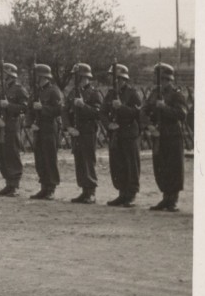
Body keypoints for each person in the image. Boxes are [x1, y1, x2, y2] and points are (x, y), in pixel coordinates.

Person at [142, 62, 189, 212]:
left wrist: (165, 108)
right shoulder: (154, 93)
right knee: (160, 165)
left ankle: (172, 199)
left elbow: (181, 114)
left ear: (169, 80)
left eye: (162, 80)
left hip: (172, 134)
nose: (160, 83)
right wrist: (148, 125)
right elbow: (144, 110)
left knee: (173, 166)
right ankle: (165, 197)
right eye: (158, 80)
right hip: (158, 133)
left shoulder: (176, 94)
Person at [100, 64, 143, 208]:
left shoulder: (132, 93)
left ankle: (131, 195)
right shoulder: (111, 93)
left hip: (129, 132)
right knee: (117, 164)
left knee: (131, 164)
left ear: (123, 79)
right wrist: (108, 125)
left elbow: (139, 113)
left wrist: (122, 108)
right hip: (116, 133)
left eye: (117, 79)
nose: (115, 82)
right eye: (113, 79)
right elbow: (103, 111)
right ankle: (121, 193)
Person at [63, 63, 103, 204]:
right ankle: (84, 190)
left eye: (80, 77)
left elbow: (98, 113)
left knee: (88, 160)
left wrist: (83, 106)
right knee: (79, 160)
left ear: (87, 77)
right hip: (76, 131)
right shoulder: (73, 93)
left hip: (88, 131)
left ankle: (91, 191)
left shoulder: (94, 93)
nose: (79, 80)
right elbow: (65, 112)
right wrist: (68, 127)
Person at [0, 62, 29, 197]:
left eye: (5, 74)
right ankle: (8, 182)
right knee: (1, 153)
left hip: (12, 124)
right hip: (0, 125)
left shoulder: (19, 89)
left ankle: (14, 184)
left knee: (12, 152)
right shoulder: (0, 89)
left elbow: (25, 107)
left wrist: (9, 105)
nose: (2, 77)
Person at [28, 63, 63, 200]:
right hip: (38, 128)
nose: (35, 78)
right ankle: (43, 186)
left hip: (49, 127)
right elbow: (29, 110)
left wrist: (43, 108)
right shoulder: (36, 92)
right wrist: (30, 124)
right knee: (40, 159)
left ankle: (51, 188)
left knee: (49, 158)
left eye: (37, 76)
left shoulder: (54, 91)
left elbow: (59, 110)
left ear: (42, 76)